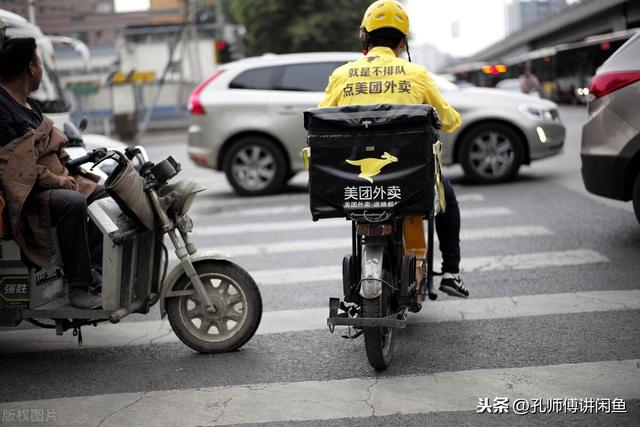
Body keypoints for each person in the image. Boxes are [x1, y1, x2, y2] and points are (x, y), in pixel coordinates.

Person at [319, 0, 468, 298]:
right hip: (412, 179)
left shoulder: (342, 75)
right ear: (402, 41)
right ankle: (451, 272)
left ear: (365, 37)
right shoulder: (417, 75)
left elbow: (322, 120)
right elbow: (449, 120)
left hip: (356, 181)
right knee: (447, 200)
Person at [0, 37, 105, 309]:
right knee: (73, 203)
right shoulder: (2, 108)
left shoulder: (31, 105)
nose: (42, 69)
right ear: (31, 68)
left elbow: (51, 145)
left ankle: (94, 269)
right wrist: (54, 179)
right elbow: (12, 165)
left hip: (51, 182)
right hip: (27, 193)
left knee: (103, 192)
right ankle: (79, 286)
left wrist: (69, 169)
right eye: (41, 63)